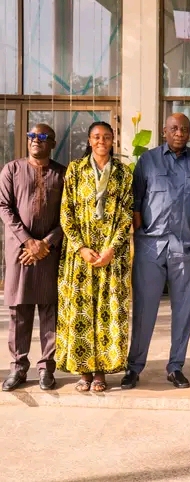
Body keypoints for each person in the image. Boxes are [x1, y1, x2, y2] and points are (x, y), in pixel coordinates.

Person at [121, 113, 190, 390]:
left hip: (186, 247)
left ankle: (175, 367)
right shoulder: (148, 160)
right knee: (144, 309)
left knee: (183, 310)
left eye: (184, 129)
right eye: (174, 128)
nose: (179, 133)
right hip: (151, 246)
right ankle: (134, 367)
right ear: (164, 131)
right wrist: (140, 234)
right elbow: (136, 202)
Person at [55, 121, 134, 392]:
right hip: (81, 256)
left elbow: (126, 215)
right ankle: (84, 372)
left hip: (112, 256)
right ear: (89, 140)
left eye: (107, 137)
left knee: (107, 312)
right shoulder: (75, 170)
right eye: (97, 137)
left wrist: (111, 249)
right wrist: (80, 247)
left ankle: (101, 373)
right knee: (81, 311)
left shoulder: (123, 173)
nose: (102, 141)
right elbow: (66, 212)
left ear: (113, 140)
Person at [0, 124, 65, 392]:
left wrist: (46, 243)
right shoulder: (12, 170)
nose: (35, 140)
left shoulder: (62, 174)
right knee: (20, 310)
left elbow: (69, 215)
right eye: (31, 136)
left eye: (42, 137)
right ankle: (18, 367)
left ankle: (46, 368)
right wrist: (28, 242)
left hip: (50, 252)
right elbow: (4, 207)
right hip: (20, 252)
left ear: (53, 143)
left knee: (50, 310)